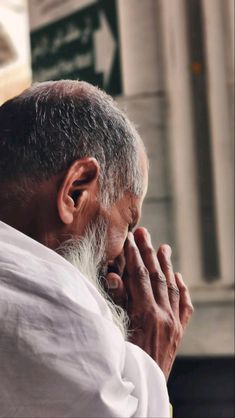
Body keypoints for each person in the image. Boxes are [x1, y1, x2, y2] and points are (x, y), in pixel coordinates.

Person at [0, 80, 193, 418]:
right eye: (127, 224)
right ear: (75, 191)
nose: (119, 259)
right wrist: (149, 365)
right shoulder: (59, 308)